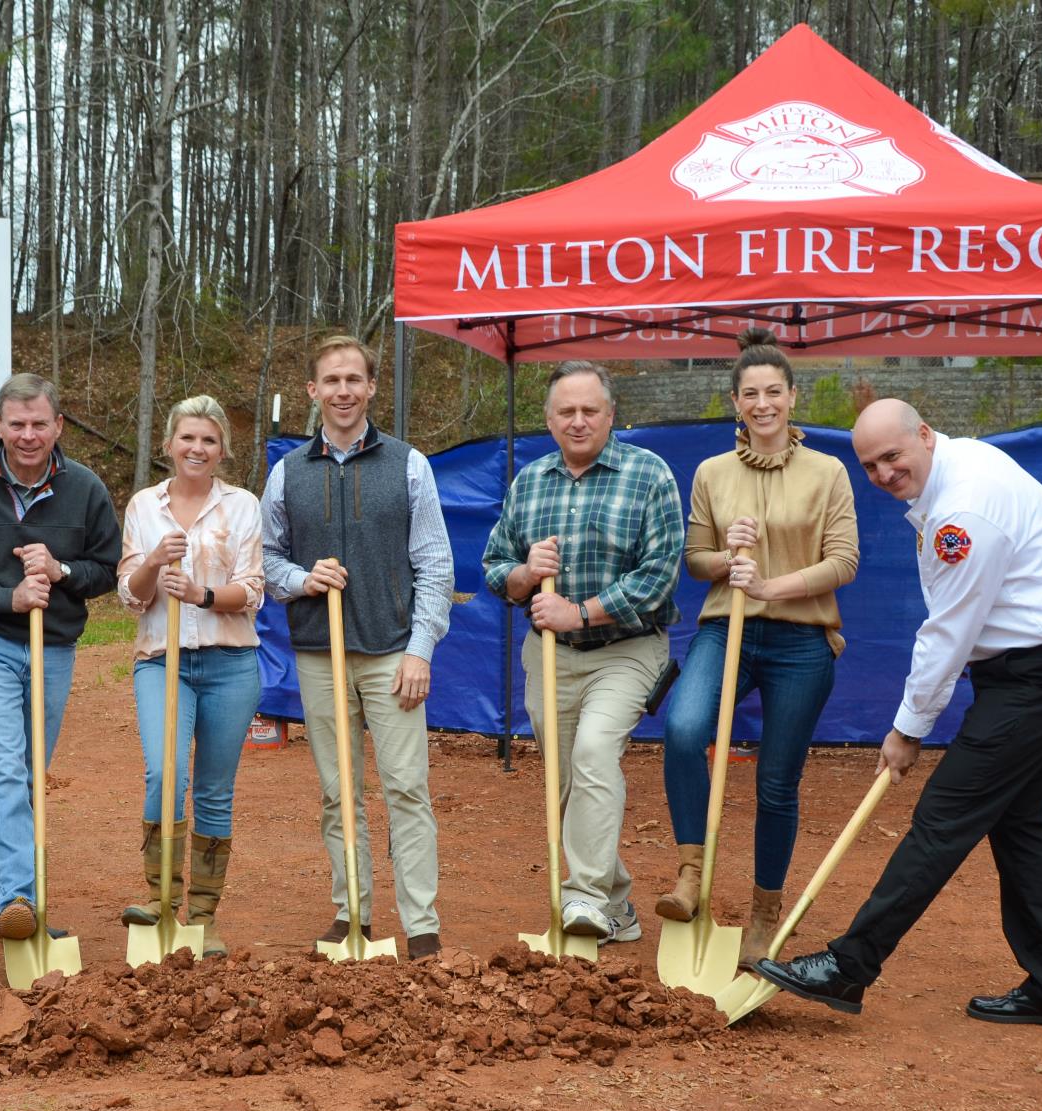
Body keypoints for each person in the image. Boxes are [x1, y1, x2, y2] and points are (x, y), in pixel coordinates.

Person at [757, 399, 1042, 1031]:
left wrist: (907, 730)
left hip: (1041, 675)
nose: (884, 474)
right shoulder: (959, 466)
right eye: (870, 466)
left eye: (893, 456)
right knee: (1020, 824)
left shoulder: (963, 510)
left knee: (942, 818)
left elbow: (947, 634)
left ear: (924, 435)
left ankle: (850, 965)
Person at [658, 329, 859, 966]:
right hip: (729, 629)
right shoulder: (712, 473)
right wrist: (725, 557)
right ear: (736, 402)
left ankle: (764, 914)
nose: (763, 403)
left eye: (774, 391)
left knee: (777, 781)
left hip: (802, 641)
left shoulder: (827, 471)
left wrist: (773, 584)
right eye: (751, 393)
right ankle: (692, 875)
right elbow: (694, 560)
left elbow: (844, 562)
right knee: (685, 728)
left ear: (793, 397)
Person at [262, 333, 454, 959]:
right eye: (331, 381)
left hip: (393, 653)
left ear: (372, 388)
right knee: (337, 791)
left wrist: (421, 649)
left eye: (355, 380)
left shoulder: (408, 464)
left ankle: (421, 927)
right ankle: (353, 919)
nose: (343, 391)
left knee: (406, 788)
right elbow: (265, 561)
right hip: (321, 655)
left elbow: (435, 565)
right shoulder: (288, 473)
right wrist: (301, 579)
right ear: (313, 391)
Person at [482, 360, 683, 944]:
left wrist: (582, 610)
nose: (578, 421)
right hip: (550, 655)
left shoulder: (650, 476)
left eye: (589, 410)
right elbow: (495, 567)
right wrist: (524, 574)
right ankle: (617, 901)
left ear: (611, 415)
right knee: (566, 779)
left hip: (628, 649)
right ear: (548, 420)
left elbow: (659, 575)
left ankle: (586, 897)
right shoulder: (531, 481)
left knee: (594, 753)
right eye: (565, 411)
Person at [0, 372, 121, 939]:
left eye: (40, 424)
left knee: (31, 771)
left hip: (54, 646)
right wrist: (6, 597)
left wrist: (60, 571)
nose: (29, 435)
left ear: (58, 425)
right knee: (6, 768)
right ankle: (16, 900)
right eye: (17, 424)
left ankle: (21, 892)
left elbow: (108, 570)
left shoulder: (84, 488)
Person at [116, 395, 266, 957]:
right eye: (187, 438)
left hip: (230, 665)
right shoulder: (143, 506)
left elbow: (253, 591)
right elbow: (131, 599)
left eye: (208, 440)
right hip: (162, 662)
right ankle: (160, 901)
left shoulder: (242, 505)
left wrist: (201, 593)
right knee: (166, 772)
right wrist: (154, 562)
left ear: (222, 448)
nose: (197, 449)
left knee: (213, 791)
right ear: (169, 445)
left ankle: (202, 918)